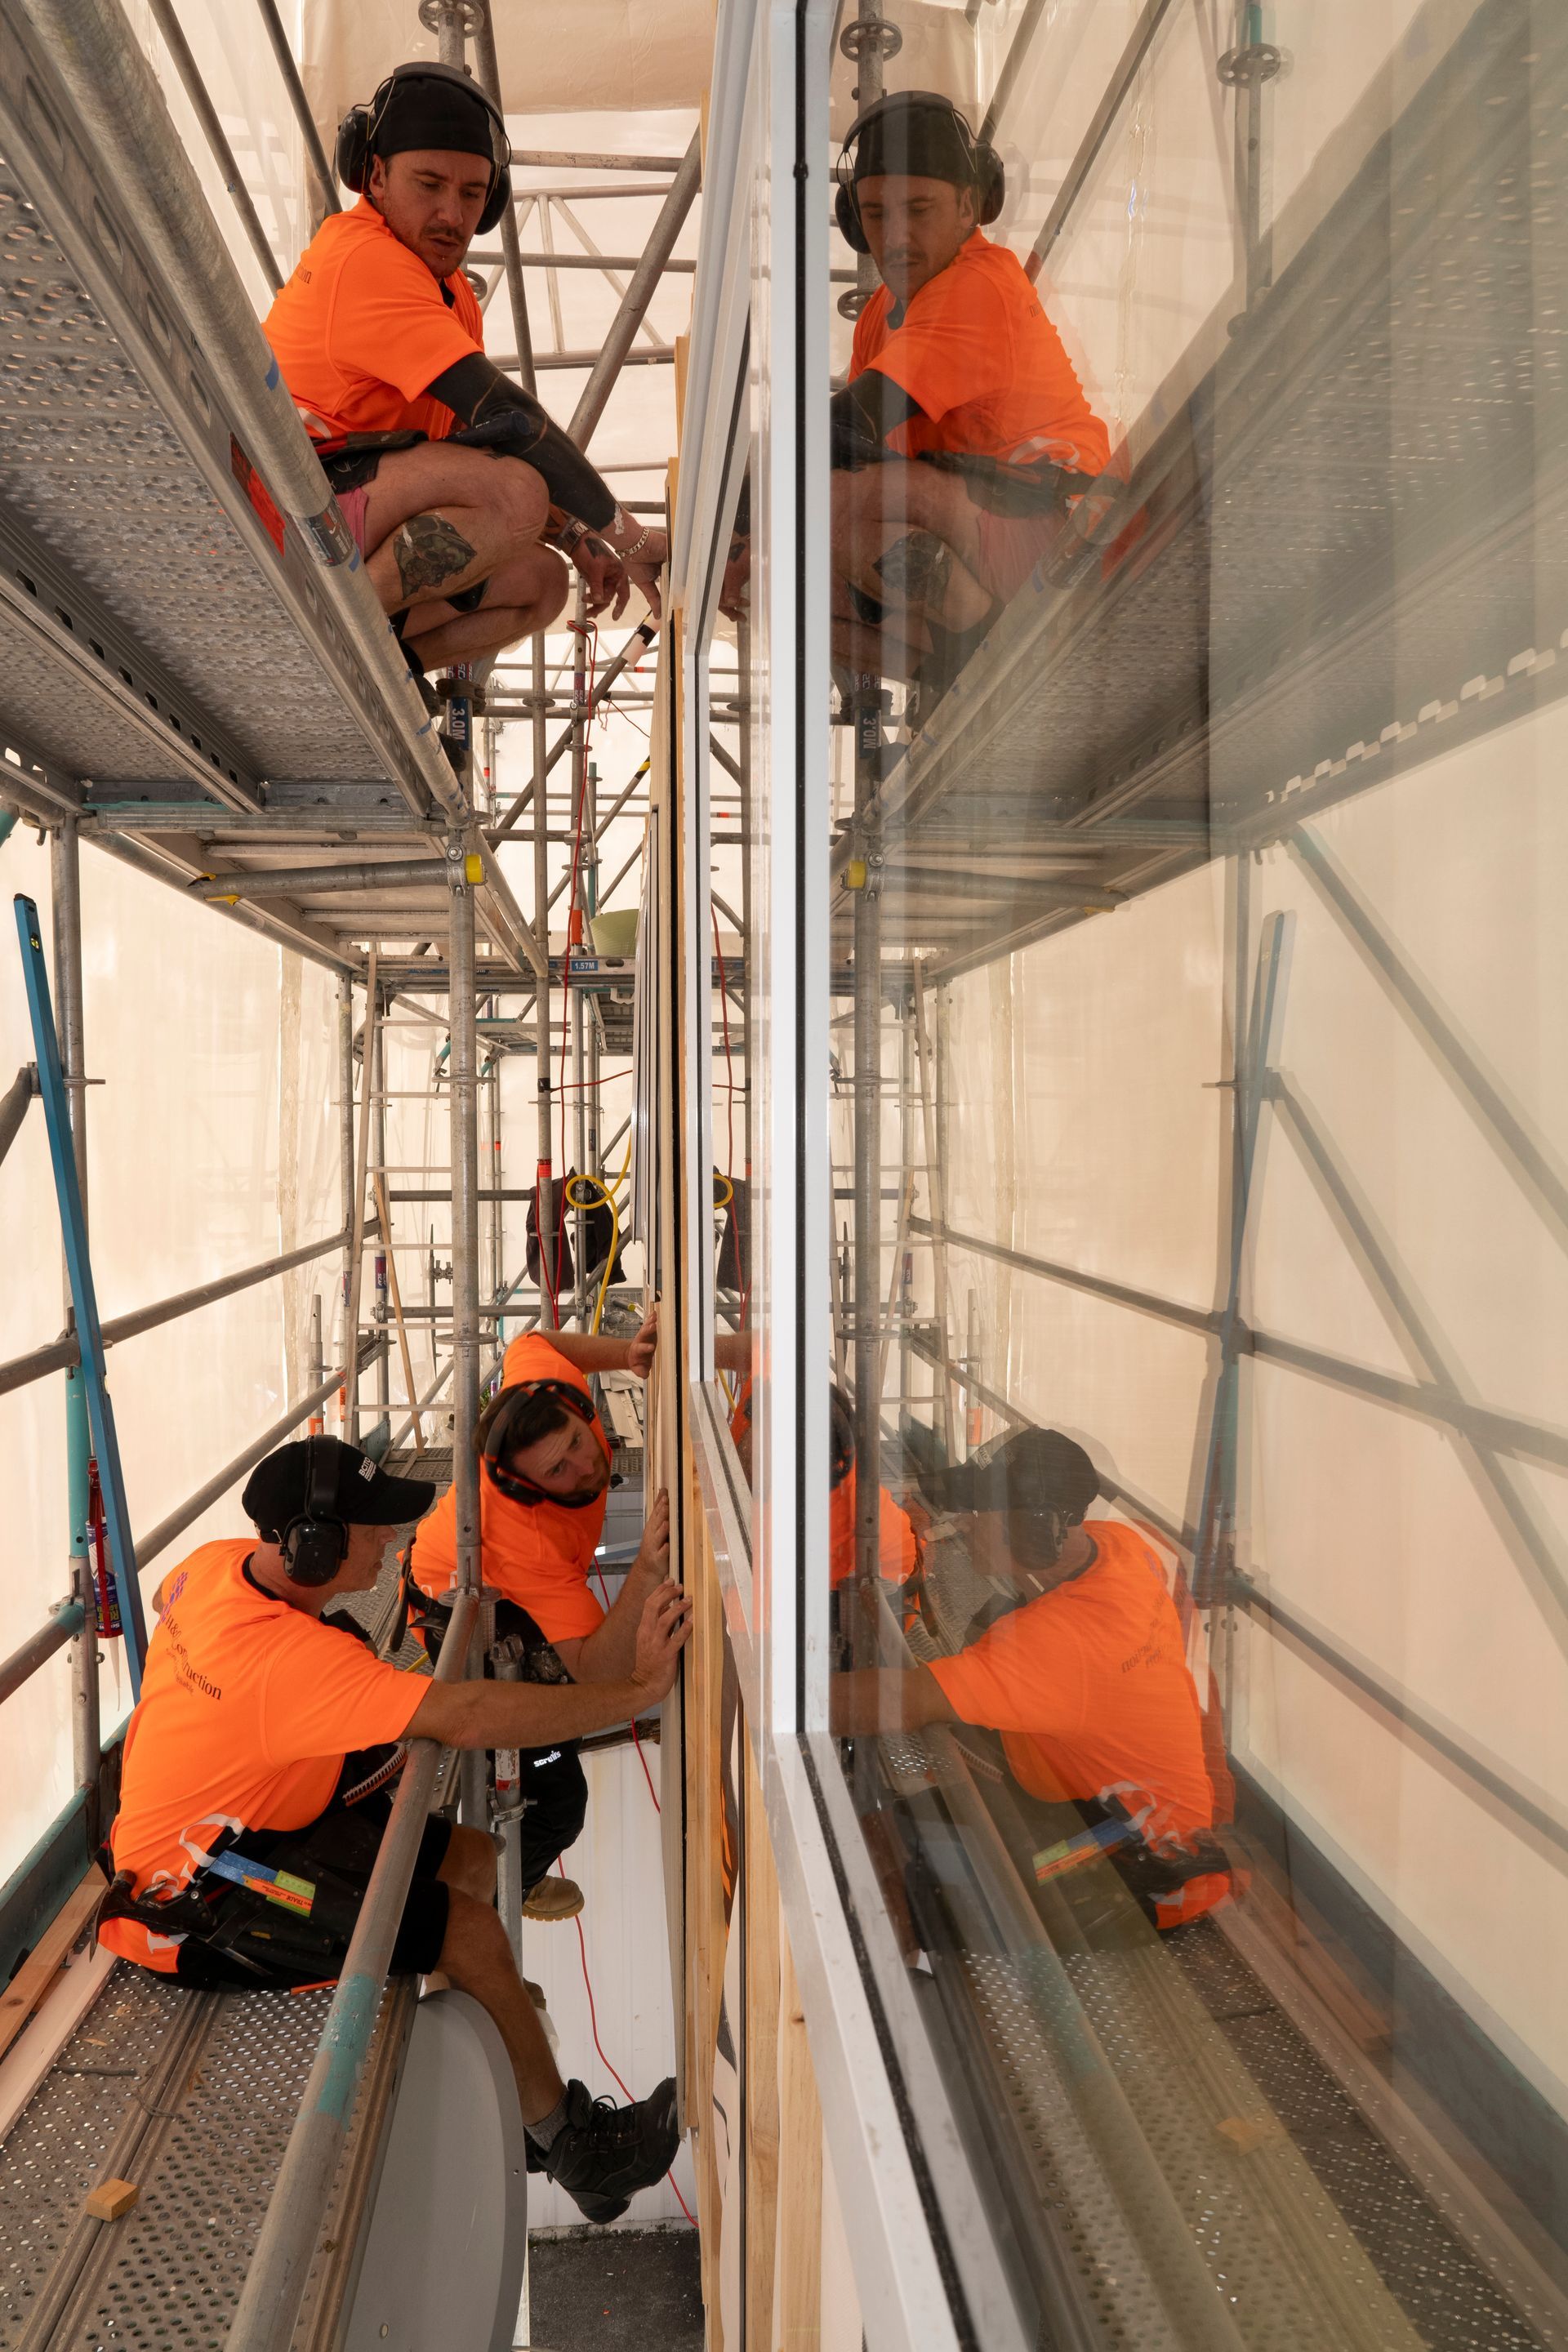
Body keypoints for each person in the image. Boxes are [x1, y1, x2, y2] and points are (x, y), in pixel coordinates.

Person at [96, 1436, 691, 2223]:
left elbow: (184, 1611)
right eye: (373, 1532)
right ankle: (574, 2146)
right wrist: (638, 1690)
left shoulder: (215, 1567)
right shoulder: (287, 1659)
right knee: (471, 1933)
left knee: (474, 1856)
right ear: (312, 1548)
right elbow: (468, 1715)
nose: (394, 1543)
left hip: (250, 1820)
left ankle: (514, 2071)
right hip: (198, 1890)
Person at [263, 62, 665, 675]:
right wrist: (630, 536)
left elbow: (467, 443)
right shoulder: (365, 258)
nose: (452, 214)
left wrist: (578, 540)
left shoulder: (451, 292)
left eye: (473, 194)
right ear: (374, 176)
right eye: (429, 185)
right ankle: (316, 642)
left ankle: (387, 670)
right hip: (278, 508)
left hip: (346, 508)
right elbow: (507, 418)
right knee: (515, 493)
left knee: (542, 583)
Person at [829, 1427, 1237, 1931]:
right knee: (886, 1831)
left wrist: (781, 1700)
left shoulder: (1062, 1640)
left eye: (980, 1512)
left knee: (891, 1883)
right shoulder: (1126, 1547)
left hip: (1146, 1866)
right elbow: (1194, 1673)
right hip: (1116, 1812)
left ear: (1036, 1530)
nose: (961, 1524)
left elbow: (903, 1701)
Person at [829, 91, 1110, 688]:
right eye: (876, 215)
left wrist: (740, 516)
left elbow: (848, 432)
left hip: (1066, 534)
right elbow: (845, 451)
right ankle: (959, 673)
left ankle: (981, 636)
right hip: (986, 534)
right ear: (856, 223)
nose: (897, 236)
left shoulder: (979, 284)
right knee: (772, 583)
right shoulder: (878, 316)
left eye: (920, 208)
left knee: (831, 500)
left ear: (969, 207)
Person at [406, 1314, 661, 1922]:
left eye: (577, 1441)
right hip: (462, 1604)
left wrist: (627, 1352)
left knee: (557, 1741)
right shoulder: (528, 1539)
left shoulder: (545, 1393)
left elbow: (536, 1342)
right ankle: (503, 1893)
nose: (585, 1467)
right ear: (527, 1487)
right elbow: (598, 1671)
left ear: (573, 1409)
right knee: (558, 1800)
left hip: (479, 1563)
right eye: (557, 1472)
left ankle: (512, 1871)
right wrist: (648, 1567)